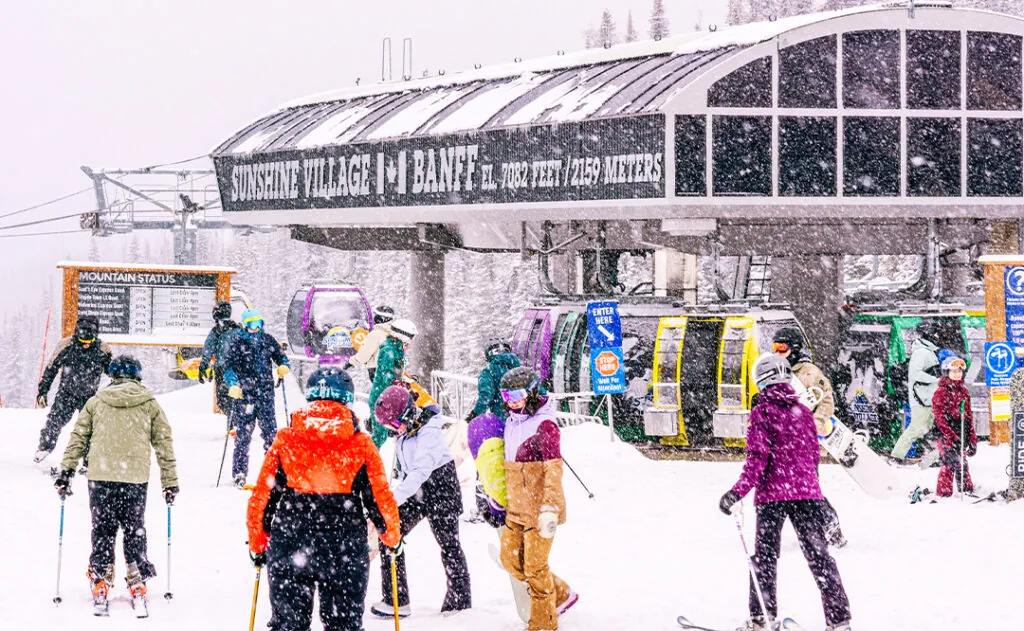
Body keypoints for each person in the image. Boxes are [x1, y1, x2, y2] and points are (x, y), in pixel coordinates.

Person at [247, 367, 402, 631]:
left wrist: (258, 544)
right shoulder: (361, 444)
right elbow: (379, 498)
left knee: (289, 624)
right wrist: (392, 538)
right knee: (343, 624)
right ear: (348, 398)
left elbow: (263, 495)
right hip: (343, 546)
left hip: (291, 540)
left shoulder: (286, 439)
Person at [719, 354, 851, 631]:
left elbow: (758, 459)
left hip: (772, 498)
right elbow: (813, 455)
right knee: (820, 557)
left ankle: (762, 618)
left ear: (760, 381)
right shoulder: (803, 412)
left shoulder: (763, 412)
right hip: (806, 494)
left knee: (765, 559)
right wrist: (809, 486)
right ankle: (839, 620)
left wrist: (736, 493)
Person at [53, 355, 178, 616]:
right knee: (134, 529)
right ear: (137, 376)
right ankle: (137, 576)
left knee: (102, 529)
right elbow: (164, 444)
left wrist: (67, 471)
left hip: (101, 476)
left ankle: (100, 576)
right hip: (134, 478)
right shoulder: (149, 404)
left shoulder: (96, 402)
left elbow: (78, 438)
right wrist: (169, 482)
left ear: (112, 376)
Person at [371, 385, 471, 618]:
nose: (393, 430)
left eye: (394, 424)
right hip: (416, 489)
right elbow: (409, 472)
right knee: (390, 535)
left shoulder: (430, 430)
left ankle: (459, 600)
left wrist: (391, 499)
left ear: (408, 413)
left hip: (441, 486)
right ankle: (396, 599)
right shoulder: (404, 431)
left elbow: (420, 470)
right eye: (388, 427)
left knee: (448, 543)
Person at [498, 367, 577, 631]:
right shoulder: (512, 420)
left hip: (539, 509)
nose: (511, 401)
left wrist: (549, 508)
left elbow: (553, 470)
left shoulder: (545, 425)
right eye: (506, 395)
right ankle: (561, 593)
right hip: (516, 507)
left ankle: (543, 623)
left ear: (531, 392)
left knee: (534, 567)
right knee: (510, 560)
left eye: (517, 394)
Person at [772, 328, 847, 548]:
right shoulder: (773, 370)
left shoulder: (809, 372)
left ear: (793, 349)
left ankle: (829, 524)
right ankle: (811, 529)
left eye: (781, 348)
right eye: (774, 347)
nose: (776, 352)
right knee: (788, 488)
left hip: (804, 442)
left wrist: (814, 424)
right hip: (782, 441)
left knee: (806, 486)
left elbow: (827, 402)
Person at [221, 308, 290, 488]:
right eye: (252, 325)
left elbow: (281, 357)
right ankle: (239, 472)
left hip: (266, 394)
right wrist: (233, 385)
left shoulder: (267, 340)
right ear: (245, 326)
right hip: (246, 396)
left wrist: (283, 366)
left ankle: (273, 472)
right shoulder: (237, 343)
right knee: (243, 436)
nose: (256, 328)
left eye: (259, 324)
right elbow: (228, 368)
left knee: (271, 436)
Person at [35, 315, 112, 463]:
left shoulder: (103, 349)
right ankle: (44, 449)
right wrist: (43, 391)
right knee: (54, 421)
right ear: (77, 334)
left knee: (91, 428)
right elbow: (51, 369)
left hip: (90, 397)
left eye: (89, 341)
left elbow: (112, 374)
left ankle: (89, 459)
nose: (86, 344)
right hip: (66, 393)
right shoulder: (65, 345)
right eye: (82, 340)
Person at [890, 320, 943, 461]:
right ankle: (897, 455)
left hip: (928, 397)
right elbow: (915, 374)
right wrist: (936, 379)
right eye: (935, 332)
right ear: (928, 333)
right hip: (921, 398)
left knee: (931, 428)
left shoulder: (928, 351)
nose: (938, 336)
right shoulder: (921, 353)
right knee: (916, 428)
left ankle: (934, 454)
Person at [931, 353, 978, 497]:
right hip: (945, 432)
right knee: (950, 462)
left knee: (962, 462)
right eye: (954, 371)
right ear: (946, 372)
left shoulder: (963, 391)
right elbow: (939, 417)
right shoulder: (941, 392)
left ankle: (966, 488)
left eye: (959, 371)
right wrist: (950, 435)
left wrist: (972, 438)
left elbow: (968, 415)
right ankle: (944, 492)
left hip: (961, 429)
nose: (957, 374)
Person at [367, 318, 418, 448]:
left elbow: (396, 373)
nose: (410, 341)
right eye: (410, 337)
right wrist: (400, 385)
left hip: (392, 399)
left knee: (402, 432)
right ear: (402, 335)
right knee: (380, 436)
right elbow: (387, 375)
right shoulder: (389, 352)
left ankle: (400, 465)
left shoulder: (397, 351)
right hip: (381, 400)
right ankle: (366, 463)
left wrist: (405, 382)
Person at [197, 300, 242, 413]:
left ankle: (232, 424)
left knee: (224, 400)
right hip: (239, 369)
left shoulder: (217, 331)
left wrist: (203, 365)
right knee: (236, 397)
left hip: (222, 369)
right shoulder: (238, 329)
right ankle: (236, 423)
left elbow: (208, 348)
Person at [467, 337, 521, 422]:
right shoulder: (518, 368)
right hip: (522, 419)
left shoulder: (489, 371)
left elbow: (486, 396)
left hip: (503, 419)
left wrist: (475, 415)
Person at [345, 305, 395, 381]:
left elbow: (364, 354)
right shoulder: (392, 334)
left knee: (380, 392)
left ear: (381, 318)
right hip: (391, 370)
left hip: (377, 370)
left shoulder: (375, 335)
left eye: (376, 315)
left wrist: (350, 363)